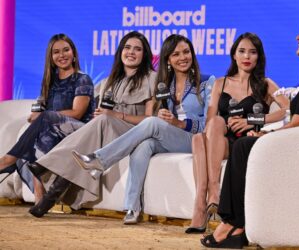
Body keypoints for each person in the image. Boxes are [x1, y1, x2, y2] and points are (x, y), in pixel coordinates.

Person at [201, 16, 299, 249]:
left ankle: (233, 224)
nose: (298, 36)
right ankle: (236, 224)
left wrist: (265, 134)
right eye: (241, 51)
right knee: (245, 144)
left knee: (244, 145)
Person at [68, 34, 215, 224]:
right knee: (144, 145)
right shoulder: (164, 85)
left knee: (152, 122)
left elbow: (210, 124)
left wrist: (180, 124)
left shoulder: (206, 82)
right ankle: (132, 207)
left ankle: (101, 160)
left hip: (197, 140)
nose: (182, 57)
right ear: (168, 60)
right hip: (172, 138)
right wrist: (166, 119)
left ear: (193, 55)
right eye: (176, 54)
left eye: (186, 52)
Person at [28, 31, 157, 218]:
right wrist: (100, 115)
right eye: (127, 48)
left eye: (137, 49)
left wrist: (115, 115)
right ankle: (49, 198)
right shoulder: (109, 81)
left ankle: (46, 167)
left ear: (144, 54)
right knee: (86, 144)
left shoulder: (152, 78)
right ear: (120, 51)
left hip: (133, 134)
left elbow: (150, 121)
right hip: (106, 132)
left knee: (102, 122)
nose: (131, 52)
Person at [186, 33, 289, 234]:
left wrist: (252, 120)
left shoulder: (266, 84)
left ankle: (201, 206)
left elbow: (286, 109)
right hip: (221, 140)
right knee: (209, 127)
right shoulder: (220, 83)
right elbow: (210, 120)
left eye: (252, 52)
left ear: (259, 57)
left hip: (245, 143)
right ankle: (213, 192)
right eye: (241, 51)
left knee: (199, 139)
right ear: (234, 55)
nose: (246, 56)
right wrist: (225, 124)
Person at [0, 34, 95, 203]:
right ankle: (39, 194)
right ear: (51, 58)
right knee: (35, 138)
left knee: (46, 119)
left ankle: (9, 159)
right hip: (54, 132)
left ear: (74, 53)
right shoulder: (50, 83)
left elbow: (77, 113)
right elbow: (43, 113)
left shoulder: (82, 79)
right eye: (56, 52)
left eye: (66, 50)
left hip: (81, 131)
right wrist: (35, 118)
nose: (62, 55)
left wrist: (43, 116)